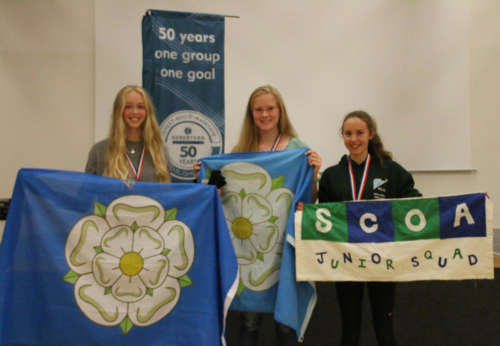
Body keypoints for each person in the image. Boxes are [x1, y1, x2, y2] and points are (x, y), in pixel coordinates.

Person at [195, 85, 321, 346]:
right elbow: (222, 195)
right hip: (250, 251)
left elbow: (308, 199)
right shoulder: (241, 149)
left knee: (285, 321)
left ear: (280, 111)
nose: (265, 114)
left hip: (282, 247)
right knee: (248, 323)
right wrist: (205, 175)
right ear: (251, 114)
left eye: (270, 108)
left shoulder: (297, 148)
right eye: (258, 109)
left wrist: (315, 173)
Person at [318, 110, 421, 346]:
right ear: (342, 136)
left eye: (359, 133)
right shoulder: (332, 176)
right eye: (348, 134)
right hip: (346, 259)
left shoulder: (391, 171)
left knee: (384, 328)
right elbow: (322, 214)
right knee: (350, 328)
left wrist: (467, 203)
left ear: (371, 134)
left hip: (383, 258)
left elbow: (416, 204)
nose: (353, 139)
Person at [86, 85, 170, 182]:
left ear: (148, 112)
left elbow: (167, 193)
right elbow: (87, 193)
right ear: (118, 111)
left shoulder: (159, 151)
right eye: (128, 107)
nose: (135, 112)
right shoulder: (99, 151)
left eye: (140, 107)